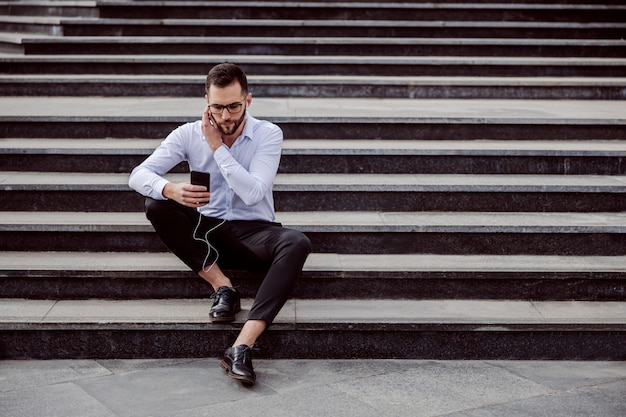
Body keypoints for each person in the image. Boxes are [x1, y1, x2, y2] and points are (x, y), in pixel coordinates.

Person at [128, 62, 311, 385]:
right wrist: (171, 188)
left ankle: (241, 346)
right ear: (206, 102)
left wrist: (217, 147)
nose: (225, 116)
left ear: (248, 101)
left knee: (297, 242)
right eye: (217, 107)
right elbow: (138, 175)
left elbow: (254, 193)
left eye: (234, 107)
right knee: (156, 203)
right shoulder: (187, 133)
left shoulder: (268, 134)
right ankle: (222, 286)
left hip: (254, 234)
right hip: (205, 233)